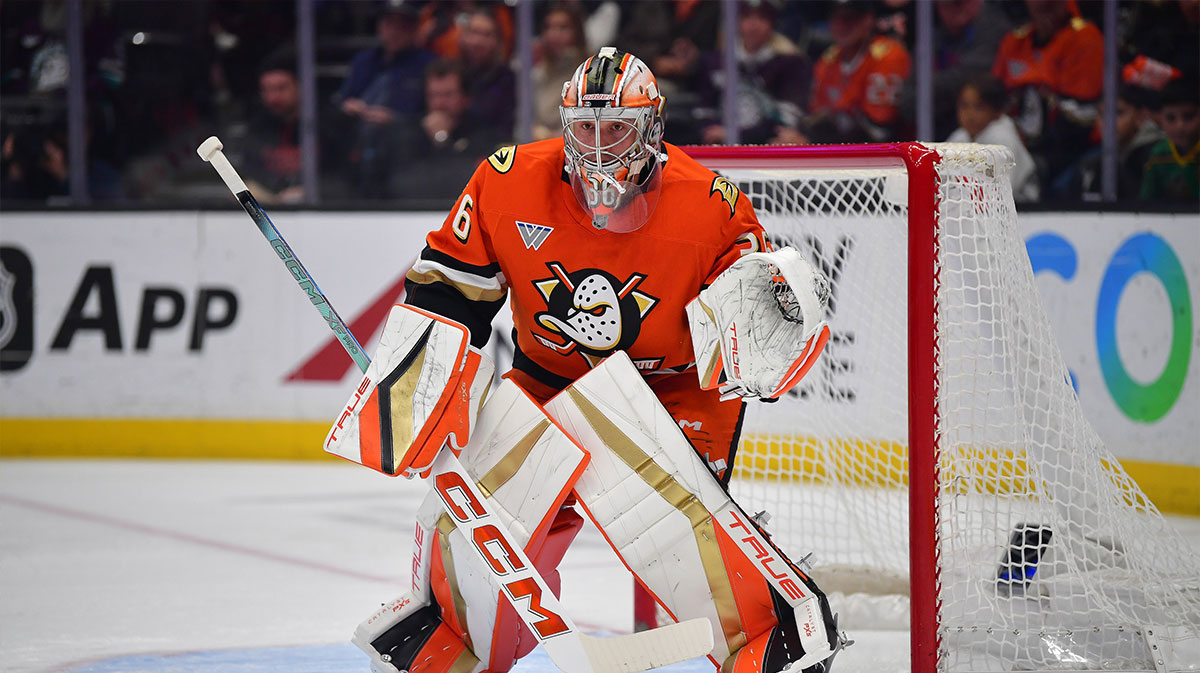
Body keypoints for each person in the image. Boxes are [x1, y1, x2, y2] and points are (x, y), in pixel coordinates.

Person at [352, 47, 843, 673]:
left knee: (677, 528)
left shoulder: (711, 204)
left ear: (653, 125)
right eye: (585, 127)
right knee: (482, 524)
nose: (599, 145)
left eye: (617, 128)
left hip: (670, 391)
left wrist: (768, 330)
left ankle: (773, 640)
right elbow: (450, 284)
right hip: (548, 379)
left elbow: (746, 331)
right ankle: (456, 642)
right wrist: (417, 385)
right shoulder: (507, 178)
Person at [991, 0, 1103, 193]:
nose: (1044, 6)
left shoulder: (1085, 38)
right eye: (1040, 4)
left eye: (1051, 4)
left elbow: (1079, 119)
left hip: (1069, 151)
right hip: (1017, 143)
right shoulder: (1015, 41)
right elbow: (992, 97)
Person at [335, 1, 434, 197]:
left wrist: (395, 120)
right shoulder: (363, 61)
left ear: (414, 29)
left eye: (403, 25)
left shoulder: (428, 64)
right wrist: (349, 107)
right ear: (379, 26)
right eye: (389, 23)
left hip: (404, 154)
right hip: (357, 146)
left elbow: (433, 117)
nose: (395, 31)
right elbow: (342, 100)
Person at [389, 59, 507, 204]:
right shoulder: (411, 131)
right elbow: (399, 183)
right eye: (433, 95)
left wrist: (442, 139)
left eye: (448, 95)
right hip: (413, 212)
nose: (439, 103)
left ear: (466, 98)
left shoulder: (483, 133)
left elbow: (468, 180)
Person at [697, 0, 811, 146]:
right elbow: (704, 111)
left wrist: (735, 134)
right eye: (746, 17)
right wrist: (713, 131)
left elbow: (786, 121)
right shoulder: (718, 61)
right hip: (721, 145)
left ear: (773, 24)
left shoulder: (791, 62)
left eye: (761, 18)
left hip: (768, 146)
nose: (753, 25)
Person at [804, 0, 912, 144]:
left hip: (885, 149)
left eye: (849, 18)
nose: (842, 25)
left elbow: (879, 127)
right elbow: (815, 115)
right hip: (836, 146)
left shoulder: (888, 55)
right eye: (836, 18)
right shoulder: (827, 60)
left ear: (868, 20)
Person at [946, 74, 1039, 203]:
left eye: (979, 107)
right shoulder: (959, 136)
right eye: (964, 106)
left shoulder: (1002, 138)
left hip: (1022, 206)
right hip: (974, 206)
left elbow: (1003, 190)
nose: (970, 114)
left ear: (997, 111)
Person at [530, 2, 589, 141]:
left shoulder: (589, 72)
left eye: (563, 27)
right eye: (549, 27)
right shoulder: (537, 73)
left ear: (577, 32)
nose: (555, 34)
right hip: (540, 144)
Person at [458, 6, 517, 140]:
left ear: (497, 41)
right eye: (473, 32)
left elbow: (505, 131)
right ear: (463, 36)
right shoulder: (453, 75)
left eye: (486, 35)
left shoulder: (509, 81)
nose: (478, 42)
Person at [1140, 77, 1200, 202]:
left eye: (1189, 117)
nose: (1180, 126)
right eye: (1171, 118)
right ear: (1159, 119)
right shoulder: (1159, 154)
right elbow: (1146, 203)